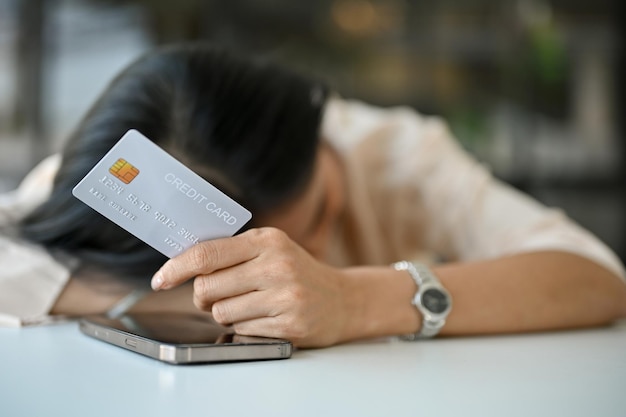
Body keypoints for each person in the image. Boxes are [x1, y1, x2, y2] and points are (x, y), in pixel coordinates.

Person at [1, 43, 625, 347]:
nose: (297, 266)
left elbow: (597, 277)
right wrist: (188, 299)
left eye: (318, 218)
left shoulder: (402, 156)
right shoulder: (122, 184)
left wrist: (356, 299)